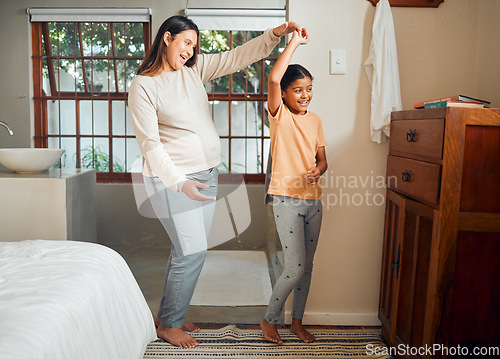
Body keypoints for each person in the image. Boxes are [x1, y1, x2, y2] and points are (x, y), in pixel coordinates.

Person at [128, 15, 303, 349]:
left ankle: (168, 315)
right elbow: (150, 145)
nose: (190, 51)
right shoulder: (144, 86)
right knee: (191, 251)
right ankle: (170, 325)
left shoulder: (193, 70)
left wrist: (275, 34)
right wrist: (180, 183)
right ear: (167, 38)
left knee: (187, 250)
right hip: (173, 180)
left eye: (194, 45)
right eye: (186, 43)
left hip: (206, 174)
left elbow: (239, 56)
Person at [260, 28, 328, 344]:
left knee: (307, 267)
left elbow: (323, 160)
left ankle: (296, 321)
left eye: (309, 89)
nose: (305, 95)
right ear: (285, 94)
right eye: (298, 90)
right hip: (286, 199)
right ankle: (269, 319)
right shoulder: (279, 117)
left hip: (313, 201)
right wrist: (294, 43)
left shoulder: (315, 120)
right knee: (295, 266)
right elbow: (274, 78)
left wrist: (318, 169)